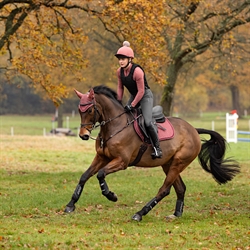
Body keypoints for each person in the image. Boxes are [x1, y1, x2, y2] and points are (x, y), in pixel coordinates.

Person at [115, 41, 162, 159]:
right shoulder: (119, 71)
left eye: (123, 59)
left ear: (130, 59)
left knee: (147, 122)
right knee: (124, 117)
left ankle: (157, 148)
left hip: (145, 96)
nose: (121, 61)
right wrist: (118, 102)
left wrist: (132, 104)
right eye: (119, 59)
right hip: (134, 95)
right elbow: (120, 87)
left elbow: (141, 91)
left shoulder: (137, 71)